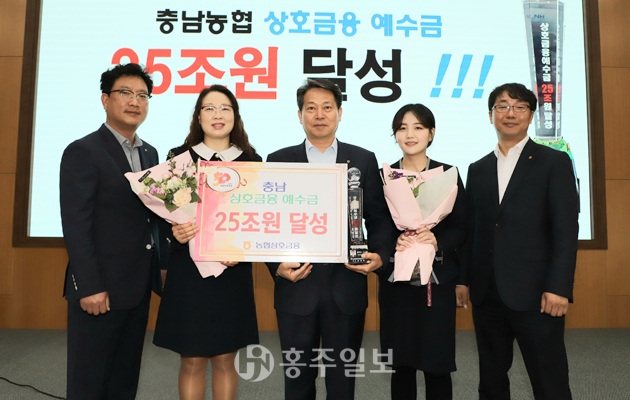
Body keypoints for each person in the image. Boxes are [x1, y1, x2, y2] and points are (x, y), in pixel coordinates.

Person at [265, 78, 395, 400]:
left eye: (327, 107)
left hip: (346, 286)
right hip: (296, 286)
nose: (319, 115)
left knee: (342, 383)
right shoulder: (278, 159)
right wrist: (275, 265)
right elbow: (267, 223)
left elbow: (378, 216)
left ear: (340, 113)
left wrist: (380, 254)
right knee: (297, 382)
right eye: (311, 108)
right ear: (300, 115)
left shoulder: (362, 159)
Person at [462, 83, 579, 400]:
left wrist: (559, 287)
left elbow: (565, 230)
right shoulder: (478, 169)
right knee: (491, 381)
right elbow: (473, 230)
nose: (510, 113)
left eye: (519, 107)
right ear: (490, 115)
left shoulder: (554, 162)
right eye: (502, 106)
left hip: (537, 294)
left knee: (549, 381)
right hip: (487, 294)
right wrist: (464, 280)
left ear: (531, 115)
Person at [60, 63, 168, 399]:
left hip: (137, 286)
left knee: (124, 380)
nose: (135, 101)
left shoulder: (150, 153)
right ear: (105, 100)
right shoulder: (84, 151)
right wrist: (90, 285)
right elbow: (76, 225)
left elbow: (151, 219)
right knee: (89, 382)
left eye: (143, 95)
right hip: (100, 290)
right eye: (125, 93)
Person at [152, 85, 260, 400]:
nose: (217, 114)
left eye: (225, 108)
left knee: (226, 357)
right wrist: (174, 232)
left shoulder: (252, 161)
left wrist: (242, 248)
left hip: (232, 270)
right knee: (192, 358)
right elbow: (162, 214)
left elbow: (259, 218)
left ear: (235, 116)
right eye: (209, 108)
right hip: (189, 270)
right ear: (198, 117)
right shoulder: (178, 158)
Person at [379, 104, 468, 400]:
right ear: (395, 134)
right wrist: (394, 240)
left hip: (437, 282)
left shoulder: (448, 175)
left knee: (437, 363)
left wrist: (437, 240)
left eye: (418, 127)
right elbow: (377, 223)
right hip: (397, 282)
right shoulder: (384, 177)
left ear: (431, 133)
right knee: (401, 364)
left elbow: (462, 226)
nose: (410, 134)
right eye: (402, 128)